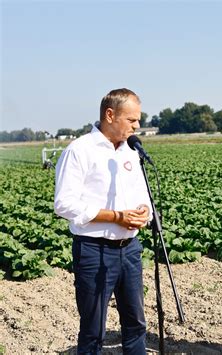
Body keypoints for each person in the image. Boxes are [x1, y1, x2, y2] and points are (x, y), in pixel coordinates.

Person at [54, 88, 152, 354]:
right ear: (110, 115)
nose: (137, 126)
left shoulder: (132, 151)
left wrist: (144, 213)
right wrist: (116, 216)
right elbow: (64, 204)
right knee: (93, 330)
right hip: (94, 250)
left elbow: (143, 197)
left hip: (130, 250)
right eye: (132, 120)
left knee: (135, 326)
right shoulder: (80, 150)